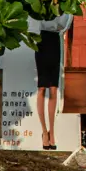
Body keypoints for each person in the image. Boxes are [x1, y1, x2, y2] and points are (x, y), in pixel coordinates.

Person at [35, 15, 73, 150]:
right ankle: (44, 132)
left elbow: (65, 24)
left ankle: (52, 132)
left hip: (55, 40)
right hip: (42, 40)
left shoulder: (63, 6)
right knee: (41, 87)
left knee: (53, 88)